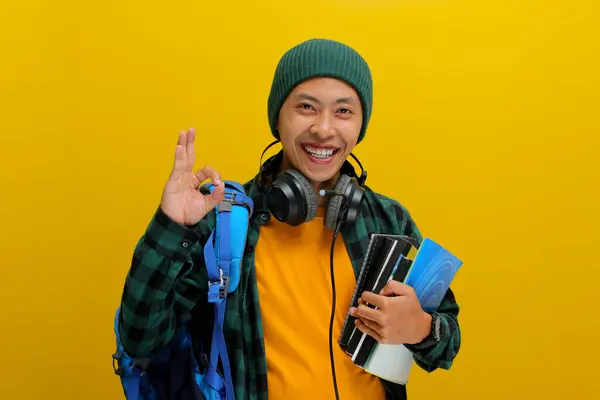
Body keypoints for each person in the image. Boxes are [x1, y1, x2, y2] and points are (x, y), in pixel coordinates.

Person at [117, 38, 461, 400]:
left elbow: (447, 342)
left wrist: (421, 328)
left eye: (343, 111)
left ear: (360, 126)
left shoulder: (388, 220)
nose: (324, 129)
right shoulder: (224, 220)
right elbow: (142, 338)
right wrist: (171, 227)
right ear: (277, 119)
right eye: (306, 107)